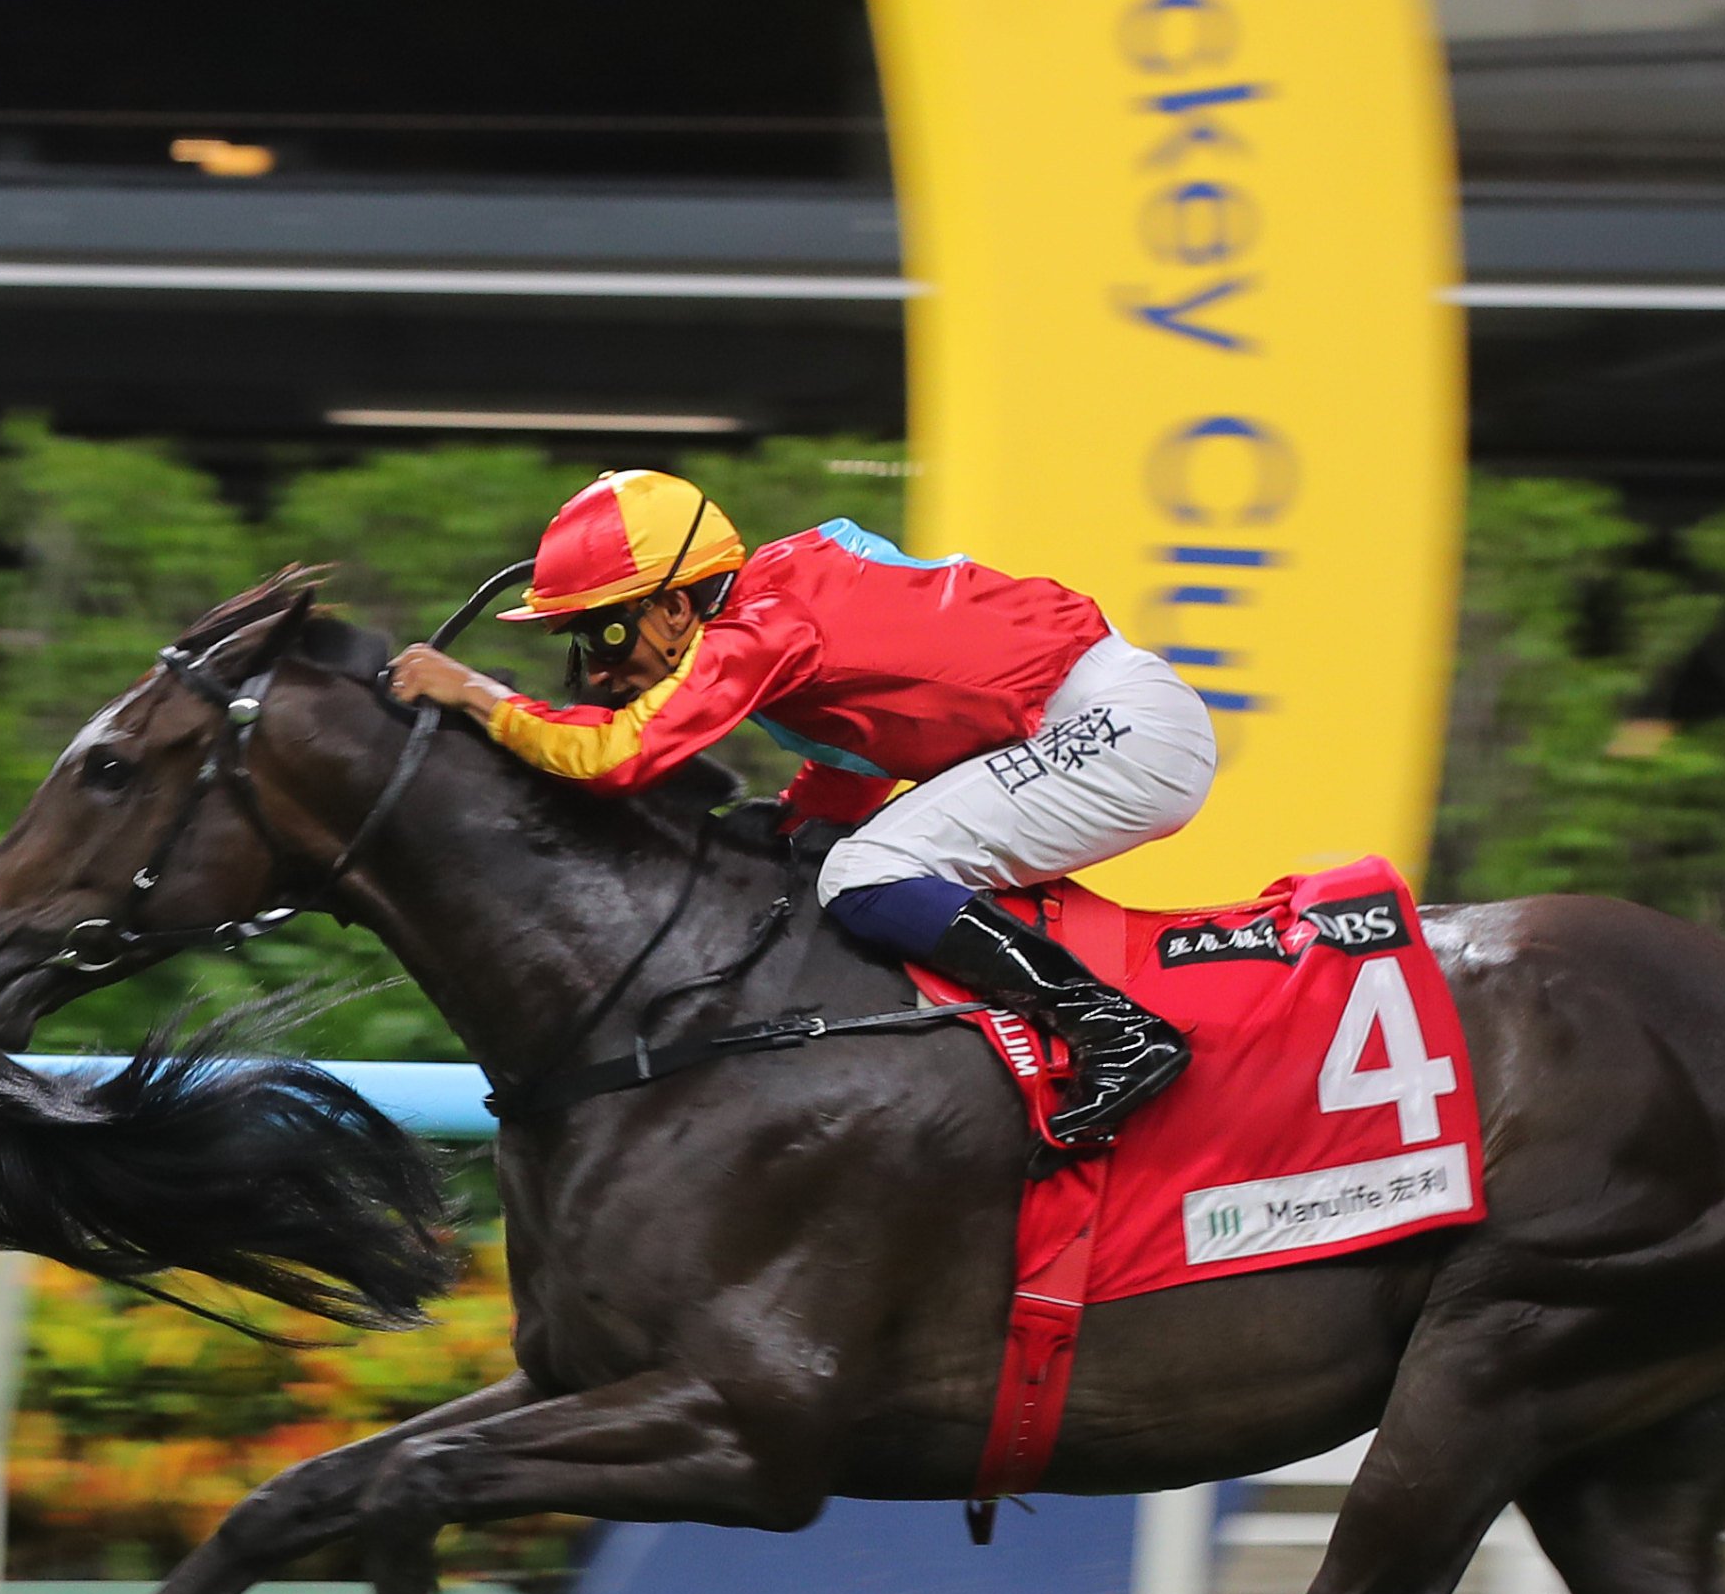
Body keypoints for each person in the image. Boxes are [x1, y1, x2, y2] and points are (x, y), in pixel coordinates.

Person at [386, 468, 1209, 1153]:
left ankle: (1115, 1030)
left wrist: (473, 692)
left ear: (676, 608)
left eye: (603, 636)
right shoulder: (780, 607)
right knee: (837, 856)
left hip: (1116, 730)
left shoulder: (762, 625)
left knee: (867, 870)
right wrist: (782, 830)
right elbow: (850, 769)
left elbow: (617, 756)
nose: (596, 671)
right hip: (1096, 719)